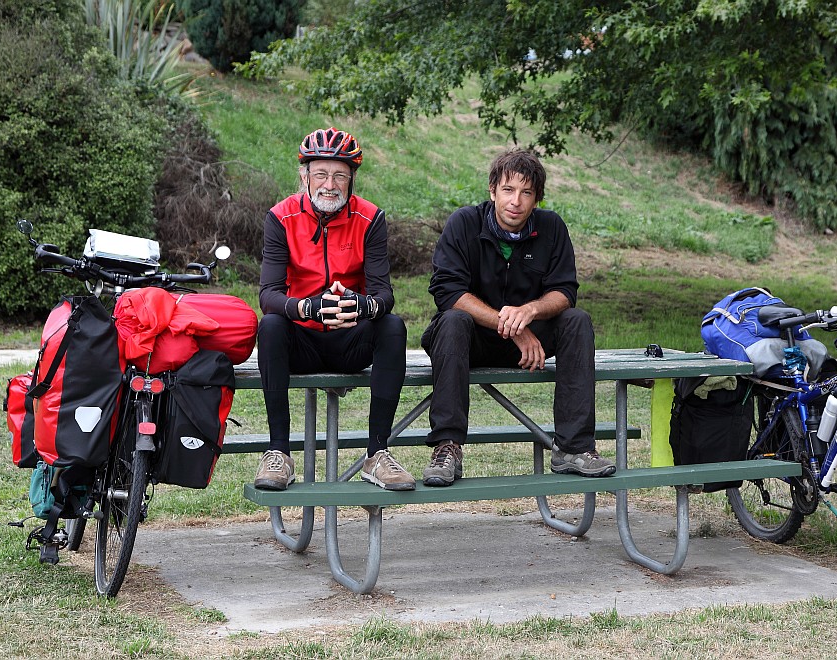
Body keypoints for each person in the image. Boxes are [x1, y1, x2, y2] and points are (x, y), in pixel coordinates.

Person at [420, 147, 615, 487]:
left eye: (527, 193)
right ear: (492, 190)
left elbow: (565, 291)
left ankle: (574, 448)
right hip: (472, 340)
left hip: (531, 344)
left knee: (577, 320)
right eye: (508, 190)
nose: (516, 201)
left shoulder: (551, 227)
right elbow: (448, 293)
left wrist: (530, 311)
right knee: (453, 320)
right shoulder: (464, 223)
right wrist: (508, 326)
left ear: (537, 198)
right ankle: (446, 447)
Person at [254, 127, 415, 491]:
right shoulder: (280, 217)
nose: (331, 183)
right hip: (303, 342)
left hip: (349, 342)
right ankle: (278, 452)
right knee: (270, 326)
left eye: (340, 175)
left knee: (392, 326)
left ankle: (378, 454)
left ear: (352, 179)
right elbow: (268, 295)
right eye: (321, 173)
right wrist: (308, 308)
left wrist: (361, 306)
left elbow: (384, 296)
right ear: (304, 176)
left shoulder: (371, 218)